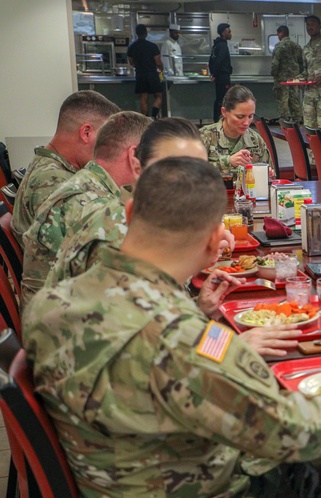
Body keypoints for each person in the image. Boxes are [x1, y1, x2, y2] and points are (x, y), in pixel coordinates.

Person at [23, 157, 321, 498]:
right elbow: (297, 431)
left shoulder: (52, 301)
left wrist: (202, 316)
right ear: (214, 244)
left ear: (127, 214)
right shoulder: (179, 340)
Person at [46, 118, 288, 358]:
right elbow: (158, 348)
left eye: (199, 171)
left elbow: (160, 321)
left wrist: (199, 307)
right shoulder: (115, 235)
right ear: (137, 167)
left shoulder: (138, 221)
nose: (189, 184)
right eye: (172, 168)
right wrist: (234, 349)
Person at [21, 111, 152, 305]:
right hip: (63, 324)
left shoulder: (87, 184)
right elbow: (127, 297)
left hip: (52, 312)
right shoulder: (97, 207)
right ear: (133, 155)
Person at [12, 91, 120, 245]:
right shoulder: (52, 180)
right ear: (86, 132)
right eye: (105, 140)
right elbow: (75, 249)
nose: (107, 149)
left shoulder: (52, 167)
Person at [201, 85, 271, 175]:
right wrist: (228, 162)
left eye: (250, 116)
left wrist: (267, 176)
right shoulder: (205, 136)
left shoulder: (255, 140)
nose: (246, 122)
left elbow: (270, 176)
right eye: (240, 116)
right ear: (224, 112)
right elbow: (190, 173)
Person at [126, 24, 164, 119]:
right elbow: (158, 62)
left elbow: (131, 62)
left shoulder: (132, 46)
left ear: (136, 33)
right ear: (146, 33)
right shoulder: (152, 46)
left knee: (143, 97)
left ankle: (145, 119)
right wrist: (161, 68)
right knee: (159, 95)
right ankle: (153, 117)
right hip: (152, 74)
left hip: (140, 74)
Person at [271, 25, 304, 123]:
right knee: (294, 98)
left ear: (281, 33)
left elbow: (275, 62)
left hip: (282, 78)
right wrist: (300, 75)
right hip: (295, 78)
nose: (278, 36)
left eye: (278, 34)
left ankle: (285, 119)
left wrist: (274, 74)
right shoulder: (297, 46)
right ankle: (297, 118)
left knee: (283, 99)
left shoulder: (279, 46)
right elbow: (301, 62)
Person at [210, 23, 233, 123]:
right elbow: (219, 61)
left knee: (219, 98)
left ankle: (216, 119)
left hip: (218, 76)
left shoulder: (216, 45)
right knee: (223, 98)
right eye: (229, 31)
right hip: (223, 76)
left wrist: (213, 73)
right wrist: (215, 73)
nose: (230, 33)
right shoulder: (223, 46)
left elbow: (211, 60)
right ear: (224, 33)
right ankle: (220, 119)